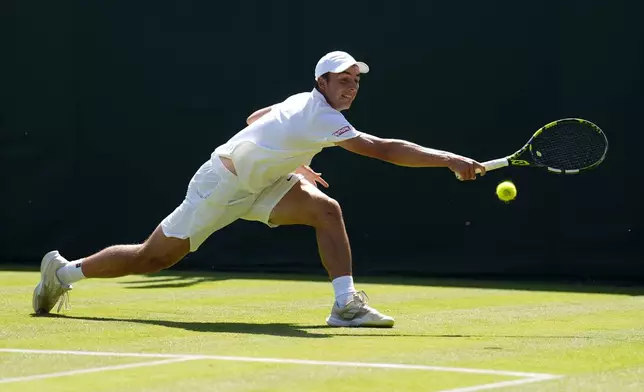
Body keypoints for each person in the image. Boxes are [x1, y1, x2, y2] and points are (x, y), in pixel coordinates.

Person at [32, 51, 485, 328]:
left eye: (356, 81)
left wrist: (296, 162)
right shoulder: (321, 115)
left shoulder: (301, 102)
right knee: (154, 258)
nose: (350, 87)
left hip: (264, 182)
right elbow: (382, 149)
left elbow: (256, 118)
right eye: (342, 80)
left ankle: (345, 305)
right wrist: (449, 158)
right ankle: (63, 273)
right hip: (221, 184)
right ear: (321, 83)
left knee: (327, 211)